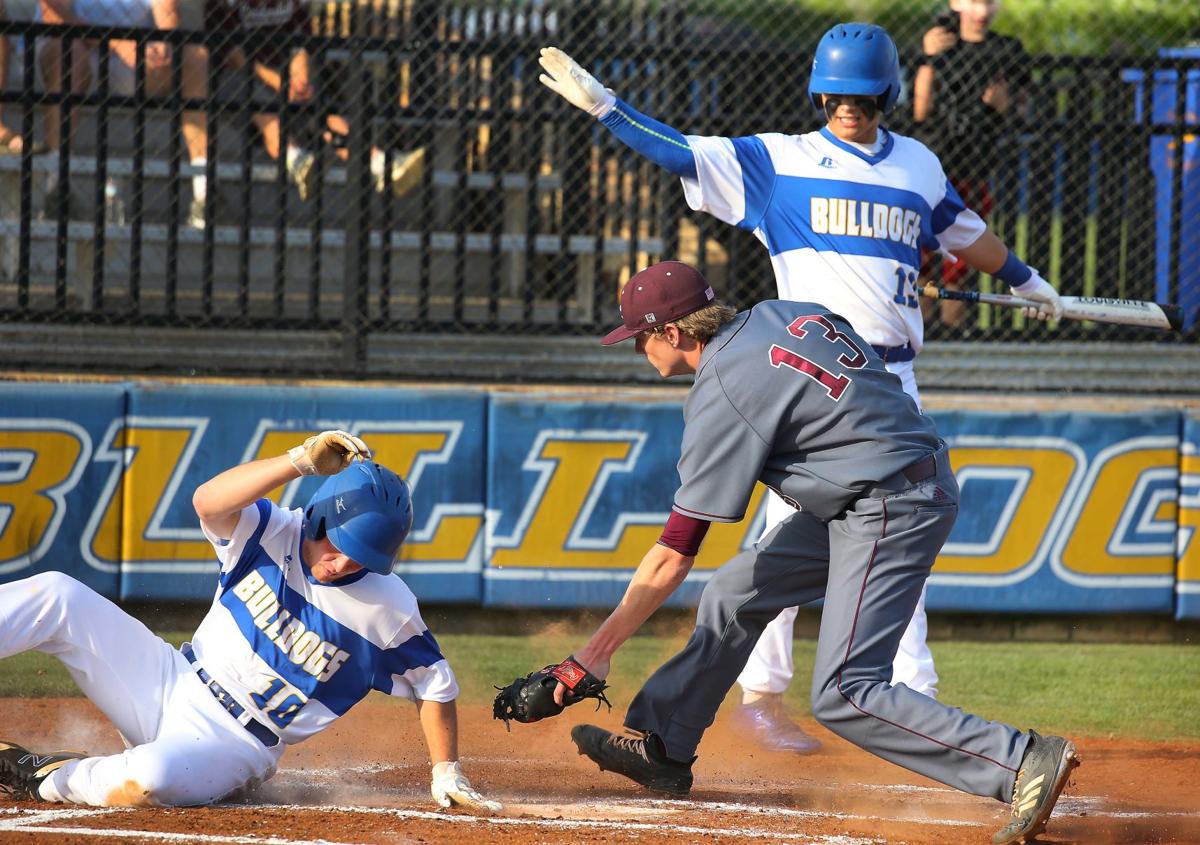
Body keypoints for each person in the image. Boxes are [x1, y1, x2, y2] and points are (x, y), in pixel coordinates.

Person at [538, 23, 1064, 754]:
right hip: (791, 379)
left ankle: (910, 702)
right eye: (839, 96)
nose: (850, 108)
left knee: (880, 552)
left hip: (885, 380)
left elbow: (963, 234)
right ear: (821, 93)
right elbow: (681, 150)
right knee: (774, 558)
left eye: (863, 97)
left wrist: (1027, 281)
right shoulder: (777, 160)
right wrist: (605, 107)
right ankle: (760, 699)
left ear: (884, 94)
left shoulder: (916, 164)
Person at [557, 259, 1078, 845]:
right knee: (735, 593)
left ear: (673, 333)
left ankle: (1020, 759)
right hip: (877, 489)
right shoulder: (780, 314)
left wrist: (591, 656)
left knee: (846, 691)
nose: (638, 351)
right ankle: (664, 746)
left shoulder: (724, 383)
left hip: (891, 503)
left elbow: (677, 550)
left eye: (639, 338)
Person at [0, 430, 499, 812]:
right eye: (342, 546)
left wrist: (446, 769)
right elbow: (206, 502)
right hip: (170, 677)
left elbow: (435, 684)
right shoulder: (271, 531)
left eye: (364, 557)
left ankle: (41, 773)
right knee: (58, 594)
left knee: (149, 776)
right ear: (322, 517)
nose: (346, 563)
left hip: (233, 744)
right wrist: (299, 461)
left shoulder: (388, 607)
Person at [200, 0, 423, 226]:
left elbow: (303, 41)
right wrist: (279, 83)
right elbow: (231, 53)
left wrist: (300, 76)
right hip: (237, 78)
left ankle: (381, 163)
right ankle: (295, 159)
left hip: (282, 77)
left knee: (322, 112)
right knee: (262, 106)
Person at [913, 0, 1031, 328]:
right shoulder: (938, 42)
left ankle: (953, 338)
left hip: (974, 168)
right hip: (932, 168)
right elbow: (920, 111)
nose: (982, 12)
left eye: (990, 3)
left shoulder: (1007, 50)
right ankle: (920, 341)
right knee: (920, 265)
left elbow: (1024, 111)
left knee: (956, 268)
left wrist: (1003, 107)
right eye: (975, 2)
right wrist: (928, 58)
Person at [37, 0, 207, 216]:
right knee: (67, 51)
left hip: (134, 54)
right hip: (76, 46)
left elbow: (167, 10)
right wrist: (117, 43)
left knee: (195, 57)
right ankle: (56, 187)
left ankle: (205, 193)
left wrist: (164, 41)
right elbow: (53, 16)